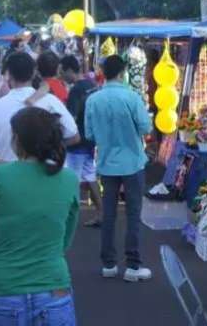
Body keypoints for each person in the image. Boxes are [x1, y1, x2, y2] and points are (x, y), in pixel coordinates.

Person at [0, 107, 80, 324]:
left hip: (3, 289)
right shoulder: (69, 179)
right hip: (53, 288)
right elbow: (65, 240)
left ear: (18, 140)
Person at [85, 55, 153, 282]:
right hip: (133, 162)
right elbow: (145, 127)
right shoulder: (132, 97)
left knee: (109, 214)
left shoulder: (93, 100)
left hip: (106, 162)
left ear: (103, 72)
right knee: (133, 214)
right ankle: (133, 265)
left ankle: (108, 264)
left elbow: (89, 134)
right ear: (123, 73)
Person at [0, 52, 80, 162]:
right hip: (47, 173)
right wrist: (51, 148)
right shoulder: (50, 101)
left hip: (11, 176)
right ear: (34, 73)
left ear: (8, 75)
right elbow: (74, 137)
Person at [61, 54, 103, 227]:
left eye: (63, 72)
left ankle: (68, 218)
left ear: (70, 70)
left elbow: (70, 117)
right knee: (90, 177)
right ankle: (101, 214)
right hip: (90, 138)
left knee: (72, 180)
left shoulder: (76, 90)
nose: (61, 76)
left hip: (77, 140)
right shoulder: (91, 85)